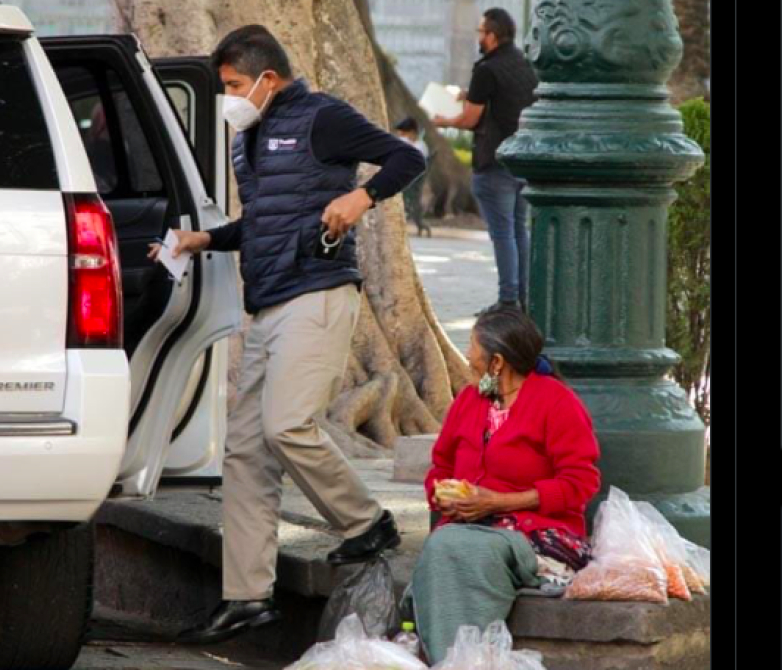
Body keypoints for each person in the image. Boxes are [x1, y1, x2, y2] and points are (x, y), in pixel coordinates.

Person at [149, 25, 426, 645]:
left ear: (268, 79)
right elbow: (265, 222)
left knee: (287, 424)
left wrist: (363, 196)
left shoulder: (322, 117)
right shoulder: (247, 139)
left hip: (318, 292)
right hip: (268, 304)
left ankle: (366, 522)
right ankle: (246, 596)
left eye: (234, 86)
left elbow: (409, 157)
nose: (229, 98)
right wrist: (206, 240)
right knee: (244, 453)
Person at [406, 306, 600, 664]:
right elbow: (441, 466)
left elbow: (580, 482)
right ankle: (456, 658)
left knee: (461, 549)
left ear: (497, 362)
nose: (467, 355)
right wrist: (443, 494)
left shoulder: (556, 402)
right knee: (444, 547)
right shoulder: (468, 401)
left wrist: (500, 502)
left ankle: (461, 660)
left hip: (536, 533)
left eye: (472, 345)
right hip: (466, 527)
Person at [433, 8, 538, 312]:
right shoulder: (523, 64)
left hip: (494, 163)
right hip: (522, 161)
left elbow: (470, 119)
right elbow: (505, 99)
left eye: (481, 32)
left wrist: (443, 121)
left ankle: (507, 299)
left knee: (503, 234)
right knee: (520, 231)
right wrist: (469, 93)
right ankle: (522, 299)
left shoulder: (486, 69)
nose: (478, 37)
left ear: (492, 36)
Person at [395, 117, 431, 237]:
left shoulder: (420, 147)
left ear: (412, 132)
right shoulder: (404, 142)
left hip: (412, 182)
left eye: (405, 132)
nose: (402, 135)